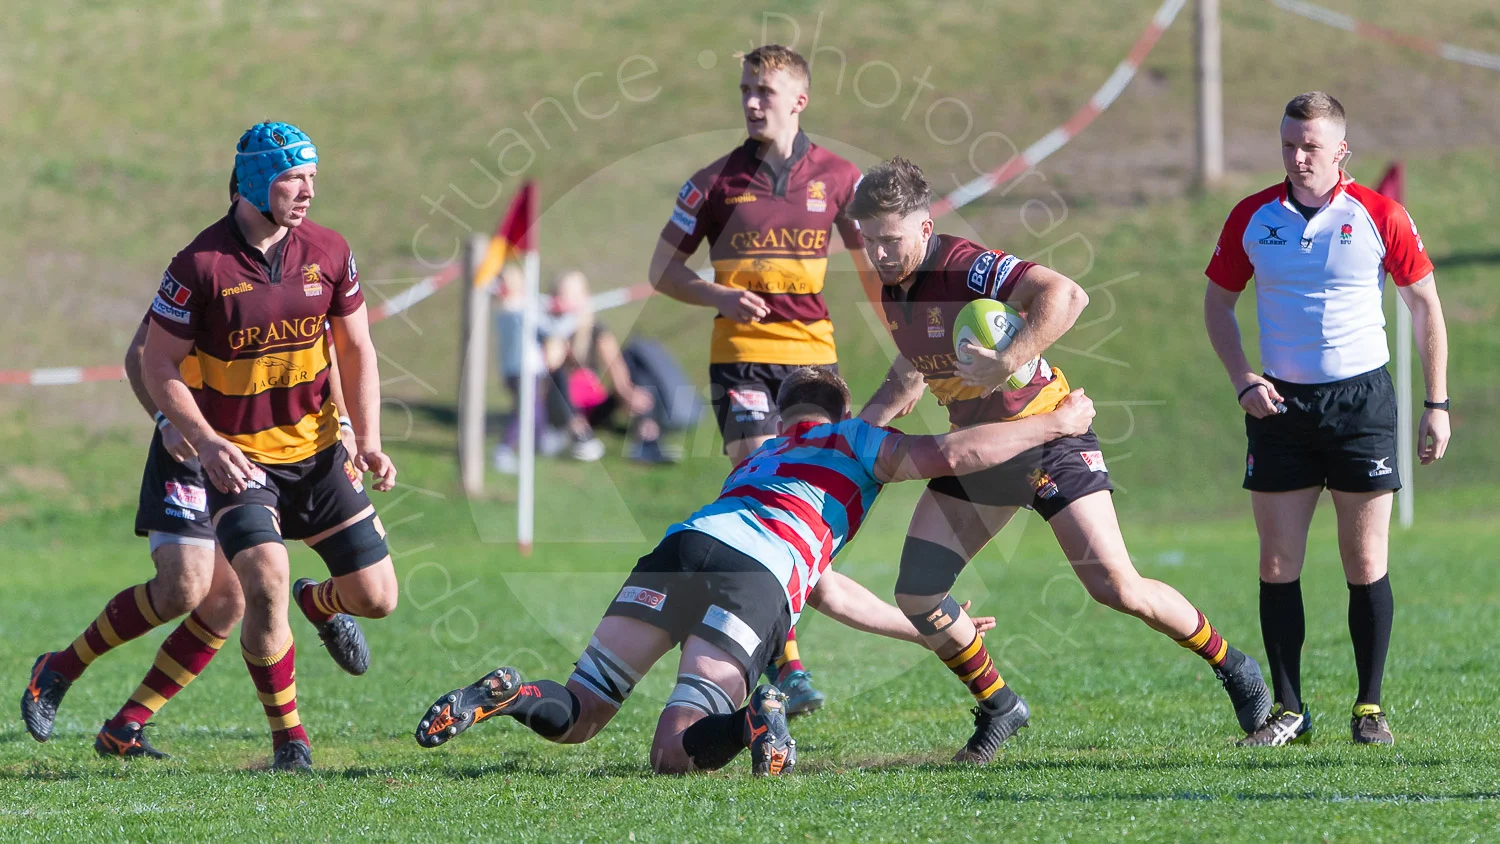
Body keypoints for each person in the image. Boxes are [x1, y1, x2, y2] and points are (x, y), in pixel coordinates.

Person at [414, 367, 1097, 775]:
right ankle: (754, 721)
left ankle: (510, 693)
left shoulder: (760, 455)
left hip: (682, 550)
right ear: (839, 411)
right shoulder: (858, 440)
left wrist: (916, 633)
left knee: (584, 709)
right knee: (672, 749)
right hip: (756, 576)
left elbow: (825, 586)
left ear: (784, 414)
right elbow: (957, 452)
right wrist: (1053, 422)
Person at [849, 157, 1271, 763]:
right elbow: (913, 371)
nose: (880, 255)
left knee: (1116, 586)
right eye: (868, 242)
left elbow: (1066, 294)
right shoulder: (895, 289)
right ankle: (999, 706)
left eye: (890, 241)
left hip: (1052, 436)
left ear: (923, 226)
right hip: (981, 452)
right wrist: (854, 436)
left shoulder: (962, 264)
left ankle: (1236, 668)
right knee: (918, 593)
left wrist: (1007, 358)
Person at [140, 122, 399, 773]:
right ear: (257, 180)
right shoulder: (199, 265)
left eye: (312, 176)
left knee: (377, 598)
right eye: (293, 177)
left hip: (316, 453)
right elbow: (156, 362)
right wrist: (202, 440)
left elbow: (357, 347)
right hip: (242, 462)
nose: (308, 190)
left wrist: (366, 439)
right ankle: (290, 740)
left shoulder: (331, 251)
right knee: (263, 580)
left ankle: (323, 603)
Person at [1203, 92, 1449, 747]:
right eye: (1288, 144)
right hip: (1280, 406)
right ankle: (1289, 710)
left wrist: (1437, 404)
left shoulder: (1378, 214)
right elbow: (1218, 305)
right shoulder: (1253, 217)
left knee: (1364, 560)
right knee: (1278, 561)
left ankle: (1369, 708)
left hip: (1361, 405)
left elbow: (1425, 305)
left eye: (1311, 145)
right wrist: (1242, 379)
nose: (1298, 156)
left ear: (1340, 148)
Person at [647, 44, 881, 714]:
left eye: (766, 91)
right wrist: (717, 297)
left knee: (808, 504)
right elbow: (662, 272)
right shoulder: (713, 182)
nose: (753, 101)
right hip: (743, 357)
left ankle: (772, 642)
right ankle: (788, 665)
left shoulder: (839, 177)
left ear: (799, 99)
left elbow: (874, 270)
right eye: (746, 89)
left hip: (813, 361)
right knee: (763, 483)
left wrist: (910, 343)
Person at [548, 270, 692, 464]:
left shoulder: (595, 330)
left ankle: (647, 438)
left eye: (575, 294)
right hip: (561, 407)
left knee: (638, 368)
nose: (571, 300)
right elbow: (551, 364)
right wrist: (562, 328)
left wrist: (627, 393)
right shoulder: (550, 330)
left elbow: (615, 365)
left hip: (591, 405)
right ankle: (577, 433)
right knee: (557, 374)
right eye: (565, 294)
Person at [492, 265, 604, 472]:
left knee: (536, 411)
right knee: (526, 410)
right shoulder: (521, 309)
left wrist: (557, 308)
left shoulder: (514, 308)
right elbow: (553, 329)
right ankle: (504, 450)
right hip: (524, 371)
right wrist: (574, 317)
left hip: (517, 371)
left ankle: (542, 443)